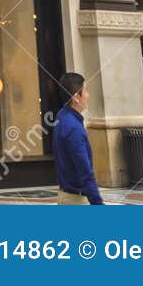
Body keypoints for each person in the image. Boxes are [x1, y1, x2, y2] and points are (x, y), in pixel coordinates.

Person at [52, 73, 103, 204]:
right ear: (76, 97)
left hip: (65, 195)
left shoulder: (62, 115)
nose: (88, 95)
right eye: (86, 91)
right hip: (77, 200)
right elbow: (85, 172)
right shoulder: (74, 128)